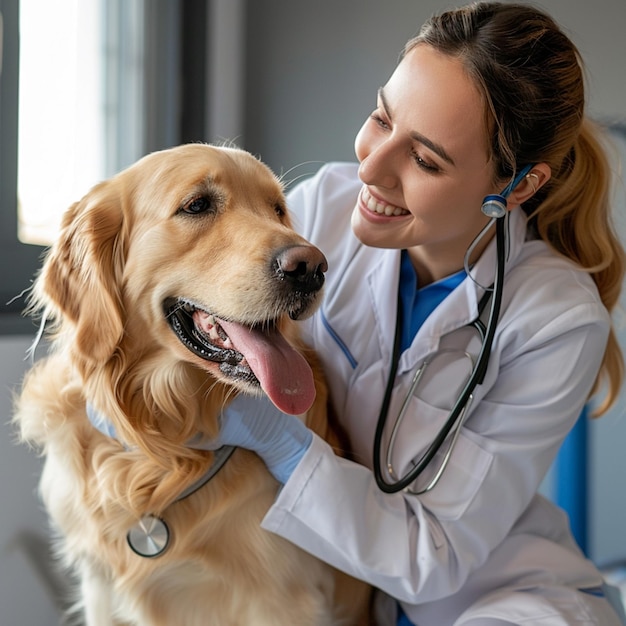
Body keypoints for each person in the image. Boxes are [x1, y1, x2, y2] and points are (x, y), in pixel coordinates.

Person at [93, 2, 625, 624]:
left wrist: (283, 444)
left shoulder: (555, 319)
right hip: (337, 581)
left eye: (425, 160)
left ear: (517, 188)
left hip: (485, 598)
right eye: (381, 117)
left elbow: (434, 557)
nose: (371, 169)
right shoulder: (317, 209)